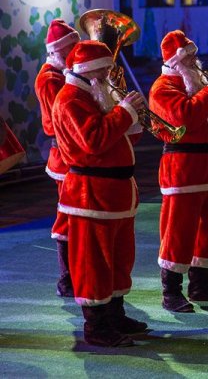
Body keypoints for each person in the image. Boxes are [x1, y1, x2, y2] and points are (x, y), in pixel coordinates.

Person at [51, 40, 148, 347]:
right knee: (94, 262)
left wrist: (133, 117)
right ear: (89, 71)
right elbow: (93, 141)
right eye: (104, 69)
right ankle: (97, 326)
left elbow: (117, 133)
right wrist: (124, 112)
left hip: (115, 195)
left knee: (119, 259)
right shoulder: (69, 99)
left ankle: (115, 315)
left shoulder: (95, 93)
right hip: (90, 196)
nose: (110, 73)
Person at [149, 30, 208, 313]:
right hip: (183, 168)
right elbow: (184, 119)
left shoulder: (198, 84)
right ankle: (170, 290)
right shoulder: (162, 88)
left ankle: (201, 283)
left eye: (194, 54)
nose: (195, 60)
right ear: (176, 60)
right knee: (179, 230)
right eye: (189, 55)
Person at [34, 19, 80, 297]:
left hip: (77, 155)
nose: (77, 52)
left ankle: (77, 275)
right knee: (67, 216)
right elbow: (57, 121)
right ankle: (67, 277)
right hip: (64, 157)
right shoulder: (50, 78)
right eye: (72, 47)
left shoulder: (67, 71)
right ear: (58, 51)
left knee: (77, 216)